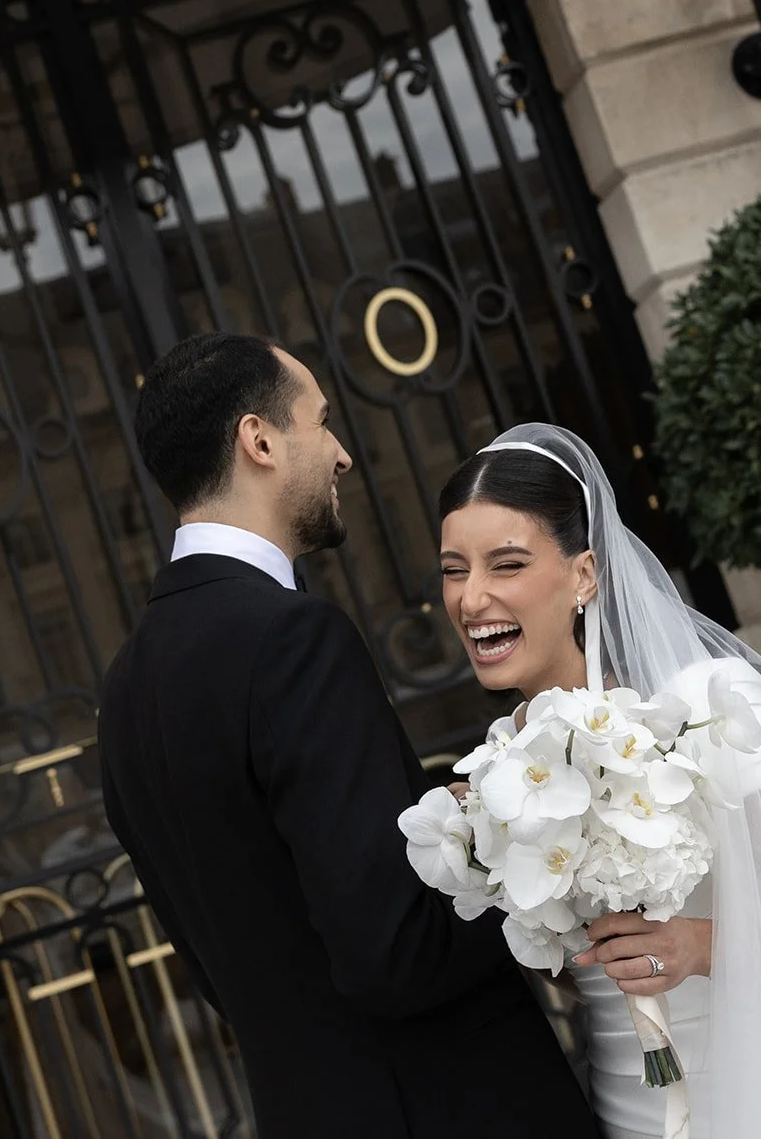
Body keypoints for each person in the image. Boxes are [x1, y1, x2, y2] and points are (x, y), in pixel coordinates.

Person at [98, 335, 599, 1139]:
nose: (341, 454)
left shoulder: (124, 688)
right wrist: (530, 865)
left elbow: (224, 971)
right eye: (320, 421)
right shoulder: (292, 638)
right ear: (259, 441)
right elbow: (393, 954)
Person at [436, 424, 761, 1139]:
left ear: (584, 574)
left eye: (506, 564)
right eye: (453, 570)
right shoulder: (503, 766)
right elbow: (580, 969)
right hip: (632, 1108)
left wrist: (699, 946)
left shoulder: (708, 708)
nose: (471, 597)